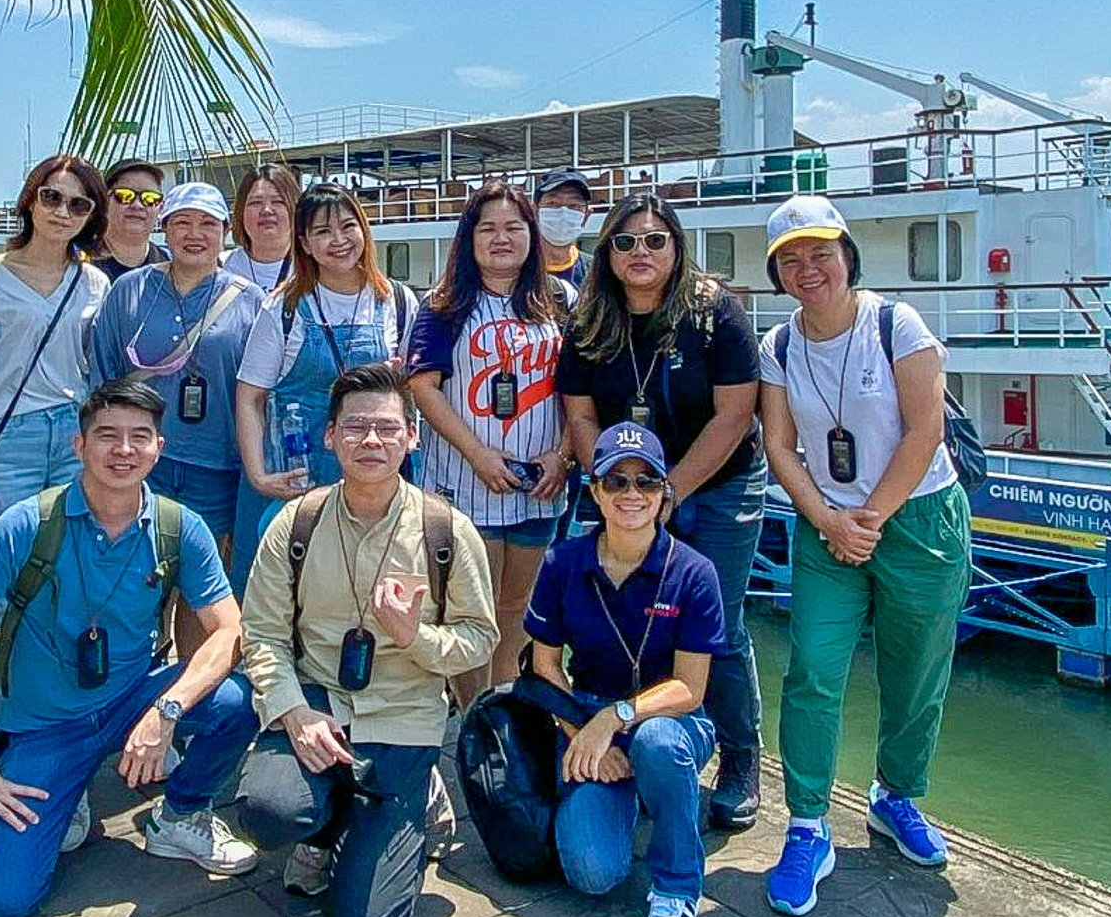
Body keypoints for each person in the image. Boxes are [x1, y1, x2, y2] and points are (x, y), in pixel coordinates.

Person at [0, 379, 260, 917]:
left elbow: (228, 632)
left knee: (238, 699)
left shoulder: (179, 527)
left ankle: (181, 815)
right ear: (79, 447)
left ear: (159, 448)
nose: (123, 451)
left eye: (139, 438)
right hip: (44, 726)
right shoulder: (28, 524)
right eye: (107, 436)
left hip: (131, 701)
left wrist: (165, 712)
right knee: (4, 905)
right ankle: (62, 790)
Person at [755, 195, 971, 917]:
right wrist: (827, 519)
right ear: (776, 272)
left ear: (847, 255)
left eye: (820, 252)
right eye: (790, 258)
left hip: (918, 518)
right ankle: (808, 822)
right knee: (814, 670)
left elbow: (925, 428)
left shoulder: (894, 324)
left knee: (916, 673)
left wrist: (868, 519)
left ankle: (896, 795)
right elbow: (779, 445)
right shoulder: (779, 347)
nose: (807, 268)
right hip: (828, 526)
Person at [235, 363, 495, 917]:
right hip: (320, 702)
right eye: (355, 429)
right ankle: (323, 828)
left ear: (411, 436)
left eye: (385, 428)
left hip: (404, 713)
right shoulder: (294, 524)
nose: (371, 442)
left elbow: (481, 639)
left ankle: (413, 795)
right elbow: (263, 635)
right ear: (330, 437)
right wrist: (291, 712)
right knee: (267, 809)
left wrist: (415, 638)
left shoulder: (445, 532)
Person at [558, 194, 770, 828]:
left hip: (720, 483)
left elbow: (736, 414)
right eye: (625, 243)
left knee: (719, 625)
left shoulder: (714, 314)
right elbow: (580, 415)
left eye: (655, 241)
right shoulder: (591, 322)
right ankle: (639, 741)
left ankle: (739, 758)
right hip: (626, 486)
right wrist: (622, 490)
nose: (640, 253)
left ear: (676, 247)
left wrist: (669, 492)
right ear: (608, 254)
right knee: (625, 611)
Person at [523, 423, 722, 917]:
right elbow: (544, 666)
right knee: (592, 872)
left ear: (663, 493)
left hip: (671, 719)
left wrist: (614, 718)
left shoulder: (695, 573)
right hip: (584, 711)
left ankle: (677, 884)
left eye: (646, 482)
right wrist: (580, 731)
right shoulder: (563, 563)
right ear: (594, 491)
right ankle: (634, 799)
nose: (631, 495)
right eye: (616, 481)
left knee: (657, 743)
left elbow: (692, 688)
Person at [406, 181, 569, 696]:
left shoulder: (561, 299)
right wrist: (476, 454)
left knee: (517, 607)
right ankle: (474, 716)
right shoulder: (444, 303)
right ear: (469, 237)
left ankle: (502, 706)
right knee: (467, 609)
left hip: (539, 485)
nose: (501, 238)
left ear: (531, 234)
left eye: (514, 227)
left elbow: (581, 390)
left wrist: (563, 455)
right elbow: (423, 388)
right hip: (464, 483)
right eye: (488, 228)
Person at [234, 183, 418, 585]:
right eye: (322, 232)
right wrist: (258, 475)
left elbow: (411, 391)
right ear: (304, 242)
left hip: (373, 471)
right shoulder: (284, 306)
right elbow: (250, 397)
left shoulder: (397, 302)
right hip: (297, 473)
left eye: (348, 226)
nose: (338, 241)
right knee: (283, 591)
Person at [87, 180, 262, 574]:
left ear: (226, 232)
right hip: (141, 462)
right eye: (182, 222)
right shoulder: (129, 291)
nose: (194, 234)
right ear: (164, 228)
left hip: (218, 467)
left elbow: (262, 394)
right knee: (134, 577)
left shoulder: (251, 300)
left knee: (201, 584)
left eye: (207, 224)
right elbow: (103, 379)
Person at [0, 154, 109, 521]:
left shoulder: (94, 283)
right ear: (31, 200)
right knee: (12, 552)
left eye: (78, 205)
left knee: (70, 549)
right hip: (10, 431)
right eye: (52, 197)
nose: (63, 212)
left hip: (74, 430)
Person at [223, 163, 300, 293]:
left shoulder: (317, 268)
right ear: (240, 212)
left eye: (278, 202)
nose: (267, 210)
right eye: (255, 203)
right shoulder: (223, 267)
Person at [95, 157, 167, 279]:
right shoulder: (76, 262)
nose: (137, 206)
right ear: (104, 202)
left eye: (150, 198)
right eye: (124, 195)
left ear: (161, 208)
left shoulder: (171, 268)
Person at [533, 167, 598, 293]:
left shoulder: (597, 271)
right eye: (553, 203)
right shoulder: (516, 269)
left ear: (586, 215)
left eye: (574, 205)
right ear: (535, 211)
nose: (563, 212)